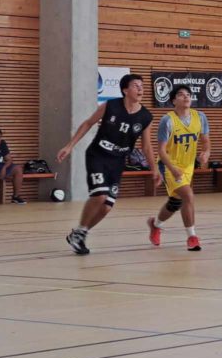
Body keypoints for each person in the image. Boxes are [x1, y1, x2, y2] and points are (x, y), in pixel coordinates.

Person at [58, 74, 159, 255]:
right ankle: (80, 233)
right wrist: (69, 146)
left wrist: (154, 169)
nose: (140, 89)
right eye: (135, 85)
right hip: (98, 156)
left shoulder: (145, 116)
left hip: (117, 162)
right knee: (99, 196)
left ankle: (80, 233)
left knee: (106, 207)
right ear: (125, 90)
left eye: (141, 86)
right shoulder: (110, 106)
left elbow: (146, 146)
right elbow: (88, 123)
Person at [147, 85, 211, 251]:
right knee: (188, 196)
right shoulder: (167, 120)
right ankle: (192, 237)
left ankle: (155, 225)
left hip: (188, 165)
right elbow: (161, 150)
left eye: (188, 94)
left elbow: (206, 141)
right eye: (181, 94)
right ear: (174, 100)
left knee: (176, 202)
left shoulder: (200, 117)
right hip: (169, 164)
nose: (186, 97)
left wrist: (206, 153)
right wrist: (173, 169)